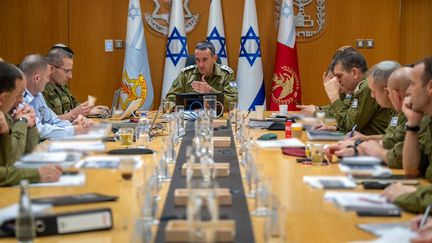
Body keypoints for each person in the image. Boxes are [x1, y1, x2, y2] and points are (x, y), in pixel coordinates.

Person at [381, 56, 432, 212]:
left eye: (413, 84)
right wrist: (412, 123)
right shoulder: (427, 121)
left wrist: (406, 196)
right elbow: (411, 170)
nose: (408, 91)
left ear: (430, 87)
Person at [0, 61, 61, 186]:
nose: (22, 100)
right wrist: (21, 122)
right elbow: (11, 160)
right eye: (18, 95)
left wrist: (30, 125)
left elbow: (28, 151)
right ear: (3, 99)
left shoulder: (6, 114)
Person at [313, 49, 395, 135]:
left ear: (355, 73)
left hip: (379, 145)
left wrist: (334, 96)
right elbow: (354, 124)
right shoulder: (358, 88)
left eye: (339, 76)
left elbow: (349, 126)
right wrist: (335, 128)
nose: (337, 81)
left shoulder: (366, 87)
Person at [21, 54, 92, 140]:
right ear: (37, 78)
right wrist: (73, 130)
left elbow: (52, 120)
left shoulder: (38, 94)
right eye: (47, 77)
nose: (48, 81)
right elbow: (39, 130)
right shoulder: (20, 98)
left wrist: (73, 124)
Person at [44, 44, 110, 120]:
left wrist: (89, 109)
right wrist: (74, 113)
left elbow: (75, 105)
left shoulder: (61, 85)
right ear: (52, 68)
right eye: (66, 71)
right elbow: (47, 122)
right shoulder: (41, 89)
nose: (70, 76)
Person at [165, 40, 238, 109]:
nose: (201, 65)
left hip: (217, 118)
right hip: (190, 118)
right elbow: (169, 99)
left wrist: (211, 92)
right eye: (197, 60)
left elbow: (233, 102)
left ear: (214, 59)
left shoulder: (226, 74)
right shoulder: (186, 74)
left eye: (205, 59)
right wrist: (175, 108)